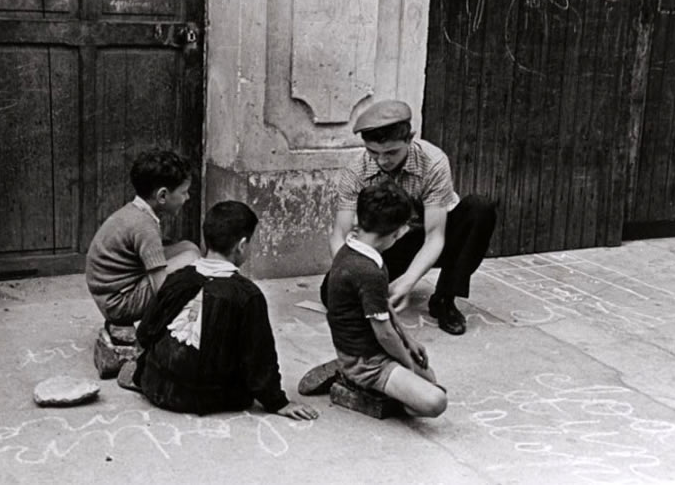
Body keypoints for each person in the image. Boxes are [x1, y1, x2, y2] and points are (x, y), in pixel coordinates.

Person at [133, 201, 318, 420]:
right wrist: (278, 402)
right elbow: (259, 359)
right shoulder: (247, 295)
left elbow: (145, 332)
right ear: (241, 245)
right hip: (213, 397)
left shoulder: (177, 279)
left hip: (158, 387)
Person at [329, 99, 496, 335]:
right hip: (392, 242)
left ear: (410, 138)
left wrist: (408, 281)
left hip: (435, 237)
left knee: (480, 208)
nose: (382, 160)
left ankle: (444, 299)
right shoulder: (356, 171)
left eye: (391, 152)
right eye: (373, 152)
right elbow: (340, 235)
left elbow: (434, 237)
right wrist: (355, 276)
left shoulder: (434, 162)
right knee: (331, 292)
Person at [324, 182, 446, 417]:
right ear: (399, 232)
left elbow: (383, 304)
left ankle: (367, 378)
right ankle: (351, 378)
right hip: (365, 361)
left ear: (358, 219)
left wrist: (409, 340)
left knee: (430, 377)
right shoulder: (368, 270)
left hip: (371, 348)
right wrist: (407, 365)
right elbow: (384, 333)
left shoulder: (357, 251)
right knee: (435, 401)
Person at [86, 148, 201, 326]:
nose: (188, 197)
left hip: (114, 291)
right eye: (184, 192)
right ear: (162, 195)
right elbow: (160, 289)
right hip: (118, 304)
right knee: (191, 258)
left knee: (189, 247)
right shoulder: (145, 226)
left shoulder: (136, 211)